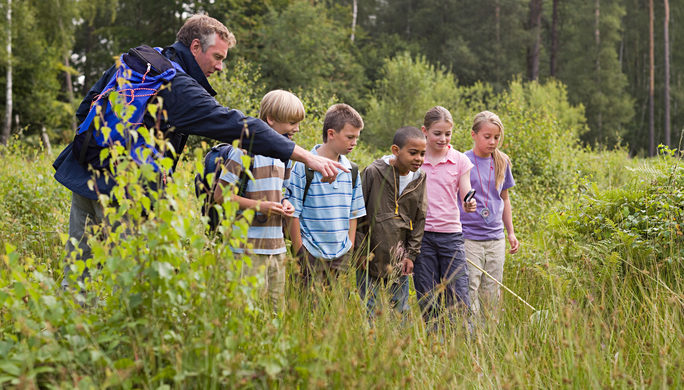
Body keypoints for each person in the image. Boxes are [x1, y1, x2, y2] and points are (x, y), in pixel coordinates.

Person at [54, 14, 343, 287]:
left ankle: (66, 332)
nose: (219, 67)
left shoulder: (139, 61)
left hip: (84, 174)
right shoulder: (177, 86)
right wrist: (306, 156)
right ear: (195, 47)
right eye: (217, 57)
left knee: (79, 272)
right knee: (131, 282)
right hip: (126, 193)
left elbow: (86, 109)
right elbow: (241, 127)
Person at [213, 90, 304, 310]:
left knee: (275, 314)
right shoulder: (244, 152)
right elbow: (220, 196)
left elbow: (281, 192)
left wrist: (285, 203)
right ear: (271, 120)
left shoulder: (286, 157)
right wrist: (260, 206)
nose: (297, 129)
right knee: (245, 312)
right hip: (246, 250)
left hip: (277, 249)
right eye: (292, 122)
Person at [287, 104, 366, 288]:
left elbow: (353, 213)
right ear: (331, 134)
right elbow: (292, 213)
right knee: (305, 311)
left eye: (356, 137)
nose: (354, 142)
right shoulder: (303, 166)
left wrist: (350, 247)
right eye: (349, 137)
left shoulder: (352, 170)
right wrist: (300, 251)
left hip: (341, 256)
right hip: (310, 254)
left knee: (333, 313)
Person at [412, 106, 477, 326]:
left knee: (458, 294)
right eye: (437, 133)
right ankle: (434, 342)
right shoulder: (416, 161)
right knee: (427, 296)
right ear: (425, 131)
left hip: (451, 236)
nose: (443, 138)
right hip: (423, 237)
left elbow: (465, 190)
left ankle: (462, 342)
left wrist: (469, 201)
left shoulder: (459, 160)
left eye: (447, 134)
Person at [355, 126, 427, 317]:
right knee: (369, 306)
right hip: (370, 255)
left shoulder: (420, 178)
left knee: (400, 308)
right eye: (413, 153)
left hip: (399, 256)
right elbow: (358, 212)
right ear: (396, 150)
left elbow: (420, 218)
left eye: (422, 154)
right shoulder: (373, 172)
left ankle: (399, 344)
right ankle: (369, 344)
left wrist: (411, 255)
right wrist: (360, 252)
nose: (418, 158)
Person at [459, 111, 519, 321]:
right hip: (469, 237)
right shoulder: (462, 161)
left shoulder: (501, 161)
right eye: (487, 137)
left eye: (496, 137)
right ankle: (472, 334)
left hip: (495, 238)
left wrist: (510, 232)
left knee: (492, 289)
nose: (493, 142)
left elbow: (505, 198)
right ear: (474, 134)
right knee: (470, 286)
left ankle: (489, 335)